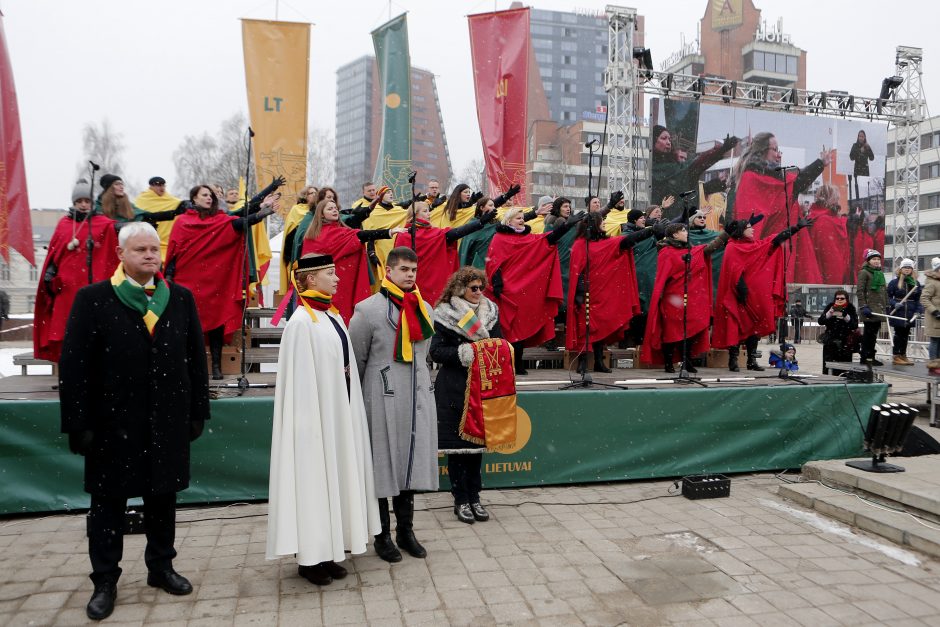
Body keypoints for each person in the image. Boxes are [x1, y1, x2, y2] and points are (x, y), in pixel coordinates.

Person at [59, 222, 209, 621]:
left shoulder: (179, 298)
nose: (149, 255)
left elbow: (196, 359)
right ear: (121, 255)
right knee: (108, 506)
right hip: (112, 426)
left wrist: (198, 411)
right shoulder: (93, 299)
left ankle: (160, 568)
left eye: (153, 249)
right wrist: (78, 422)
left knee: (163, 499)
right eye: (140, 249)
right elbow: (74, 365)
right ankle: (104, 580)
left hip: (166, 422)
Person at [267, 253, 380, 586]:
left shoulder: (332, 316)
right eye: (331, 273)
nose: (338, 278)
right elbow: (300, 384)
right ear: (311, 279)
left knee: (336, 480)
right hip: (313, 424)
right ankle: (310, 558)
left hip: (337, 416)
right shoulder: (302, 323)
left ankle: (330, 550)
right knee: (314, 484)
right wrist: (307, 427)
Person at [348, 247, 438, 563]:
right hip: (380, 396)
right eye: (403, 269)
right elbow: (357, 359)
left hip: (415, 396)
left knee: (409, 464)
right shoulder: (368, 310)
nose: (410, 274)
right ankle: (382, 535)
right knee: (381, 465)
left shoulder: (424, 307)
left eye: (414, 269)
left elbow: (425, 352)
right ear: (388, 271)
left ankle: (406, 531)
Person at [165, 185, 276, 379]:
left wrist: (259, 215)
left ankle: (216, 365)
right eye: (204, 195)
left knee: (215, 323)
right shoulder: (182, 222)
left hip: (213, 281)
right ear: (194, 198)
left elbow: (239, 223)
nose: (209, 198)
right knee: (189, 325)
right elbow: (173, 250)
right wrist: (168, 277)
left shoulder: (220, 219)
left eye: (210, 195)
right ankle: (189, 366)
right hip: (187, 281)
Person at [429, 267, 502, 524]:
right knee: (457, 449)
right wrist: (465, 354)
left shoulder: (490, 313)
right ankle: (460, 499)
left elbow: (499, 342)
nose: (479, 292)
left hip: (481, 386)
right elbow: (436, 352)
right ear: (460, 289)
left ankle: (475, 497)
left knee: (476, 448)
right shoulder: (444, 314)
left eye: (481, 287)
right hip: (454, 387)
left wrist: (500, 350)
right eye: (474, 288)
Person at [486, 207, 583, 375]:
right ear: (509, 221)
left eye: (523, 218)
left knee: (521, 327)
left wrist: (567, 226)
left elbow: (548, 240)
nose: (522, 220)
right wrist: (497, 283)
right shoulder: (499, 239)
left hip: (524, 290)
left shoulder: (529, 238)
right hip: (507, 290)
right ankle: (506, 363)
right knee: (507, 328)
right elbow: (493, 263)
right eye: (518, 218)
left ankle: (518, 361)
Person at [712, 214, 813, 372]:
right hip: (737, 297)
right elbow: (733, 271)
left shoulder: (755, 246)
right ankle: (733, 359)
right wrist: (741, 287)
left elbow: (775, 240)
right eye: (748, 227)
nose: (752, 230)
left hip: (754, 297)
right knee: (735, 327)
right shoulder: (732, 246)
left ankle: (751, 361)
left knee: (754, 329)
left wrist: (796, 228)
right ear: (741, 231)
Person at [34, 180, 120, 362]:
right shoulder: (64, 224)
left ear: (91, 203)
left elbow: (114, 236)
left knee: (93, 329)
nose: (83, 204)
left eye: (86, 201)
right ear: (74, 202)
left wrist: (124, 228)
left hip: (91, 284)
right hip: (66, 287)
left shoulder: (102, 223)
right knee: (66, 331)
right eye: (79, 201)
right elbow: (54, 252)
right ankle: (67, 371)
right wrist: (50, 271)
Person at [729, 133, 829, 283]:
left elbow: (793, 185)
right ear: (762, 151)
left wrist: (820, 164)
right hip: (762, 258)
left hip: (769, 256)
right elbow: (793, 186)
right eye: (774, 149)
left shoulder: (769, 177)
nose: (778, 155)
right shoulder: (754, 178)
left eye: (778, 150)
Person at [566, 211, 652, 373]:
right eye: (601, 221)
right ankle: (582, 362)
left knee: (601, 328)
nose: (604, 223)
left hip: (603, 293)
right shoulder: (580, 244)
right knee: (585, 328)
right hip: (587, 293)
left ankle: (598, 361)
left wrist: (651, 230)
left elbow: (627, 241)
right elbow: (576, 270)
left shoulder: (607, 242)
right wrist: (578, 292)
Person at [299, 198, 404, 321]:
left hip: (341, 281)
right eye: (330, 209)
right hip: (320, 285)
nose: (334, 210)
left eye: (335, 208)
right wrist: (388, 232)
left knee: (340, 315)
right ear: (321, 214)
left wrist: (389, 232)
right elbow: (305, 266)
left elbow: (360, 236)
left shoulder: (342, 232)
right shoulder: (312, 236)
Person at [642, 223, 728, 373]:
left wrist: (726, 234)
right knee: (671, 331)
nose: (686, 232)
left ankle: (687, 361)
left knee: (690, 330)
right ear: (674, 235)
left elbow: (709, 248)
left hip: (691, 299)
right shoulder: (666, 252)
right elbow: (662, 278)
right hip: (672, 299)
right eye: (683, 230)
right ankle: (669, 362)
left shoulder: (692, 250)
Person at [393, 201, 493, 304]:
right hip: (413, 283)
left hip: (428, 283)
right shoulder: (404, 235)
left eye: (429, 211)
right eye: (425, 211)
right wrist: (479, 223)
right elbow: (397, 263)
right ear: (414, 214)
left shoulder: (433, 233)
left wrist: (480, 223)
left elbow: (456, 233)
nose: (429, 214)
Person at [651, 124, 738, 217]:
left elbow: (689, 189)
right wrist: (720, 151)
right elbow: (694, 166)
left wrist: (711, 186)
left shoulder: (675, 169)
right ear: (653, 141)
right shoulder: (658, 168)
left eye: (669, 139)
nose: (668, 142)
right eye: (664, 138)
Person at [360, 186, 409, 281]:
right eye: (387, 192)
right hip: (381, 249)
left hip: (396, 248)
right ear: (381, 196)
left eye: (391, 192)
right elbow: (369, 232)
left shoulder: (399, 210)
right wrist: (371, 252)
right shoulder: (374, 212)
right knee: (383, 279)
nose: (391, 194)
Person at [278, 185, 320, 295]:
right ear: (305, 196)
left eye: (316, 193)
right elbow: (290, 233)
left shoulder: (319, 210)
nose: (314, 195)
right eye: (311, 193)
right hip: (297, 252)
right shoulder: (296, 209)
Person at [806, 185, 850, 284]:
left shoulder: (816, 218)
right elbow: (831, 262)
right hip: (830, 282)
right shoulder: (825, 221)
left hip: (820, 278)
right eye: (837, 198)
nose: (838, 202)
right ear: (831, 199)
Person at [133, 176, 181, 260]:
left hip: (169, 242)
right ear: (151, 186)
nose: (162, 187)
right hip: (147, 240)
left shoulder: (172, 200)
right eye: (158, 185)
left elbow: (180, 207)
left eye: (163, 185)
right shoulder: (142, 200)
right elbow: (137, 215)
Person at [886, 258, 922, 365]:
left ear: (912, 269)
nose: (907, 269)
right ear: (901, 269)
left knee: (906, 334)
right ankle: (896, 355)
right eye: (905, 267)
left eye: (909, 267)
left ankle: (903, 354)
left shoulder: (916, 283)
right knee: (898, 334)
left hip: (910, 313)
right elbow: (887, 297)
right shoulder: (894, 282)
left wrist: (918, 311)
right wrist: (894, 303)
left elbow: (918, 300)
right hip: (898, 312)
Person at [856, 249, 887, 366]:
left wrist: (886, 306)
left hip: (878, 309)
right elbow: (860, 291)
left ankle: (870, 356)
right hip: (869, 308)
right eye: (874, 259)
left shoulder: (879, 273)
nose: (876, 261)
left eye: (878, 259)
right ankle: (866, 357)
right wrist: (863, 306)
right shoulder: (864, 272)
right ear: (868, 261)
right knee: (869, 334)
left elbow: (884, 292)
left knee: (873, 334)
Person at [818, 289, 859, 373]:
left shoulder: (850, 308)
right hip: (830, 341)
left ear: (846, 299)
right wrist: (830, 313)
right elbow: (820, 321)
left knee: (844, 368)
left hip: (845, 342)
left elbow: (854, 325)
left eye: (842, 298)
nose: (839, 300)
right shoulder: (830, 306)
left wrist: (846, 316)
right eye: (837, 298)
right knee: (828, 366)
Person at [920, 257, 940, 360]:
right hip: (935, 318)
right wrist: (935, 311)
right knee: (935, 341)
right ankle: (933, 363)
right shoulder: (932, 282)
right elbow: (924, 298)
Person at [849, 130, 875, 197]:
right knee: (857, 191)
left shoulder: (867, 146)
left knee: (865, 191)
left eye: (862, 136)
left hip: (865, 172)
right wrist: (859, 151)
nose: (861, 138)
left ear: (865, 137)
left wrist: (868, 149)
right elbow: (851, 157)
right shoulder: (855, 146)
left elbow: (872, 158)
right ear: (858, 137)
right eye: (859, 136)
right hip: (857, 171)